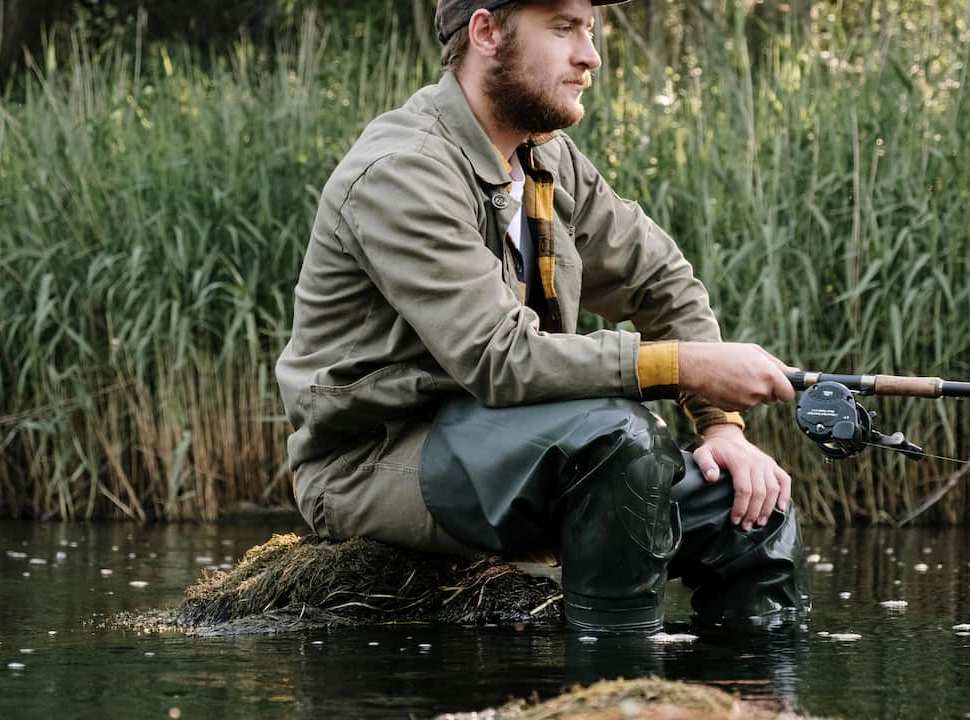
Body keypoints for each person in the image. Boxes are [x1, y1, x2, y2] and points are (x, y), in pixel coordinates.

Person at [276, 0, 806, 633]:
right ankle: (620, 686)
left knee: (751, 503)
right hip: (371, 463)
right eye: (563, 29)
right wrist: (687, 366)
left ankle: (755, 692)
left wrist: (722, 428)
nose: (590, 56)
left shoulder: (545, 159)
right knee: (617, 439)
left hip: (519, 446)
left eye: (588, 28)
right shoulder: (403, 170)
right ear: (486, 31)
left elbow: (659, 279)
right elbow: (500, 358)